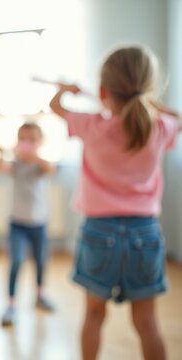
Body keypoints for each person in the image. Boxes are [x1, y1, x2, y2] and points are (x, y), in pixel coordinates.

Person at [50, 45, 181, 360]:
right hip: (145, 234)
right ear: (148, 89)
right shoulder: (159, 127)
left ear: (103, 90)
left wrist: (66, 90)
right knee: (147, 322)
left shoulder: (92, 124)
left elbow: (55, 106)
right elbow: (177, 117)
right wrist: (146, 100)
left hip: (99, 232)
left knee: (94, 316)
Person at [0, 122, 55, 326]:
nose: (27, 143)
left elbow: (49, 168)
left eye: (32, 140)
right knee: (17, 261)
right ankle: (11, 305)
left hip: (38, 223)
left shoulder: (40, 165)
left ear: (39, 143)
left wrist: (33, 155)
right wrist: (4, 153)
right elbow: (2, 167)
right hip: (17, 224)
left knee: (40, 261)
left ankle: (39, 295)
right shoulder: (15, 165)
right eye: (23, 139)